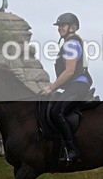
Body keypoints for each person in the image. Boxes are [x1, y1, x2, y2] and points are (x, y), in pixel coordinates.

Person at [40, 12, 94, 162]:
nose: (59, 28)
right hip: (74, 85)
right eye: (59, 26)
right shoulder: (68, 43)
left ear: (73, 27)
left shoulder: (71, 44)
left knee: (58, 111)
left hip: (79, 84)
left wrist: (52, 88)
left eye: (63, 25)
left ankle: (73, 151)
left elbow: (70, 71)